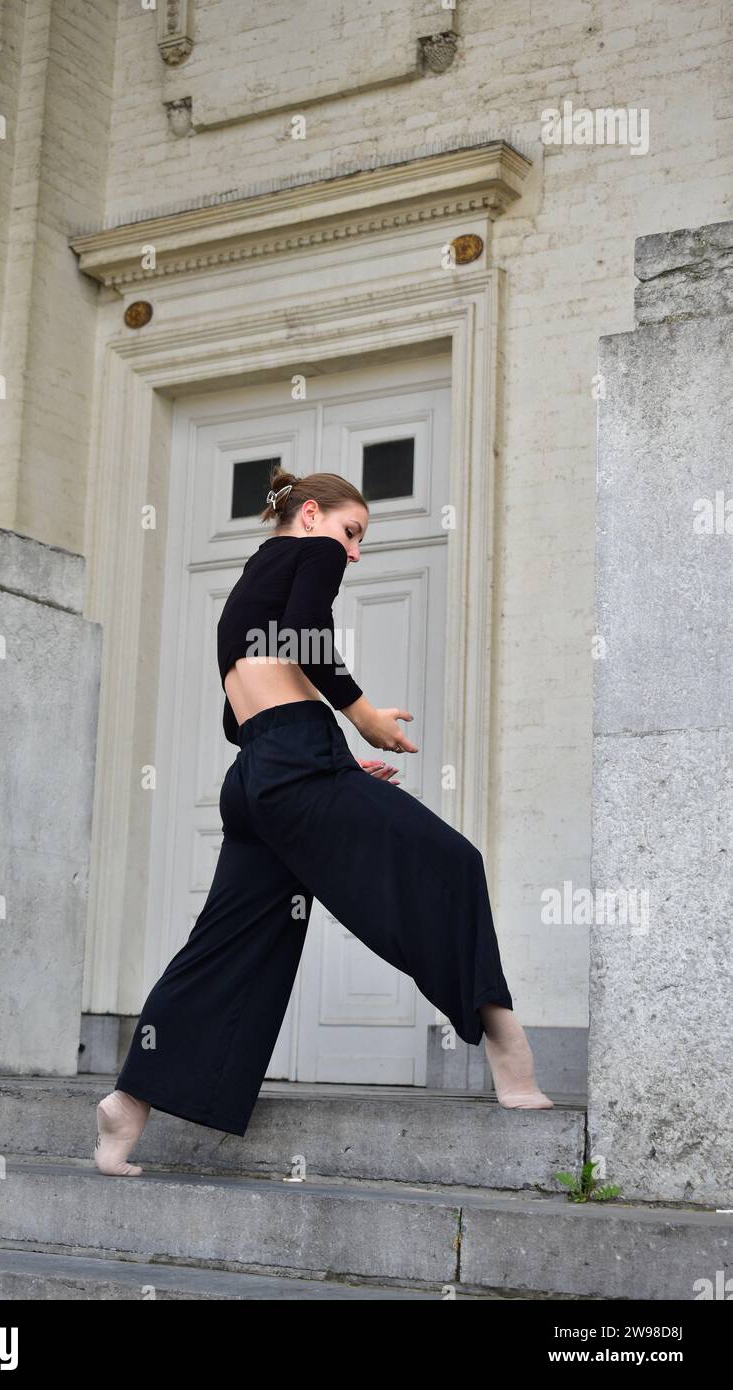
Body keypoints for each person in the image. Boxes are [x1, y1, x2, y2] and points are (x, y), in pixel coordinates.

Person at [94, 470, 552, 1176]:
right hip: (293, 768)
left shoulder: (247, 586)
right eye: (352, 532)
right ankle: (511, 1057)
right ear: (310, 514)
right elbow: (308, 636)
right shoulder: (314, 553)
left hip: (258, 780)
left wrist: (326, 766)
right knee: (452, 861)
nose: (354, 552)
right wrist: (361, 719)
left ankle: (128, 1107)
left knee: (229, 944)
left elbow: (237, 712)